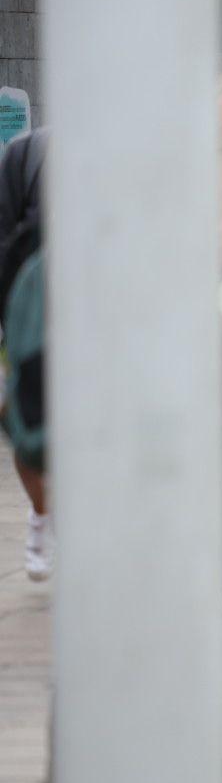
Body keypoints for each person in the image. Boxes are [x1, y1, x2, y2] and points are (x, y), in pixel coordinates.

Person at [0, 128, 48, 581]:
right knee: (25, 424)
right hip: (29, 317)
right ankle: (41, 513)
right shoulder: (27, 153)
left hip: (103, 317)